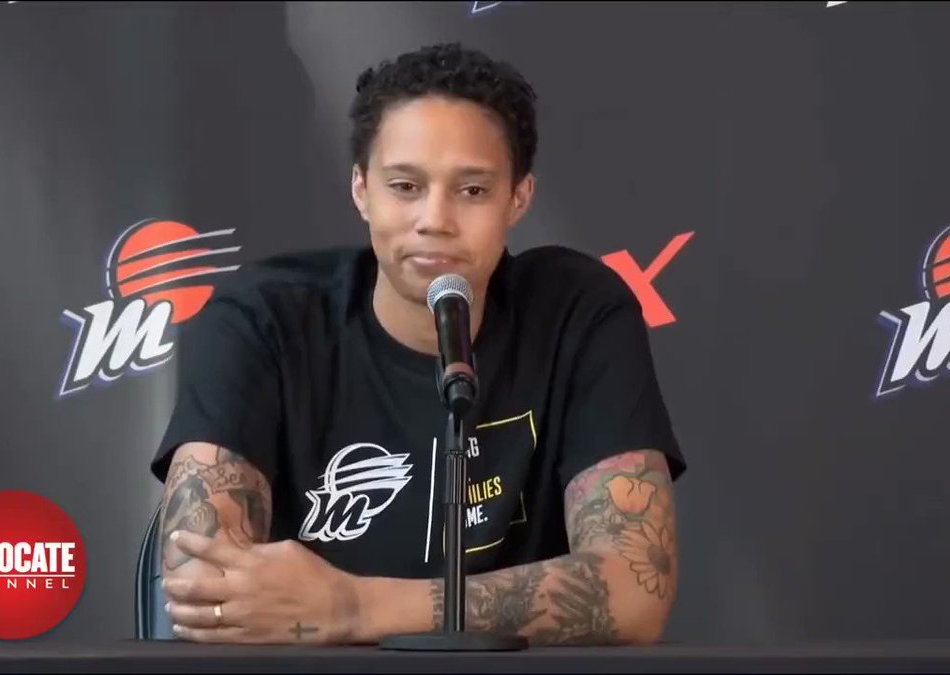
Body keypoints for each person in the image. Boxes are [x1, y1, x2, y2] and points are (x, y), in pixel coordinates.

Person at [150, 42, 686, 646]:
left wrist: (356, 607)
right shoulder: (262, 318)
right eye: (405, 186)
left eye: (473, 190)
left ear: (519, 197)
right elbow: (200, 580)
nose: (435, 219)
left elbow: (635, 591)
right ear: (361, 189)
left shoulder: (578, 313)